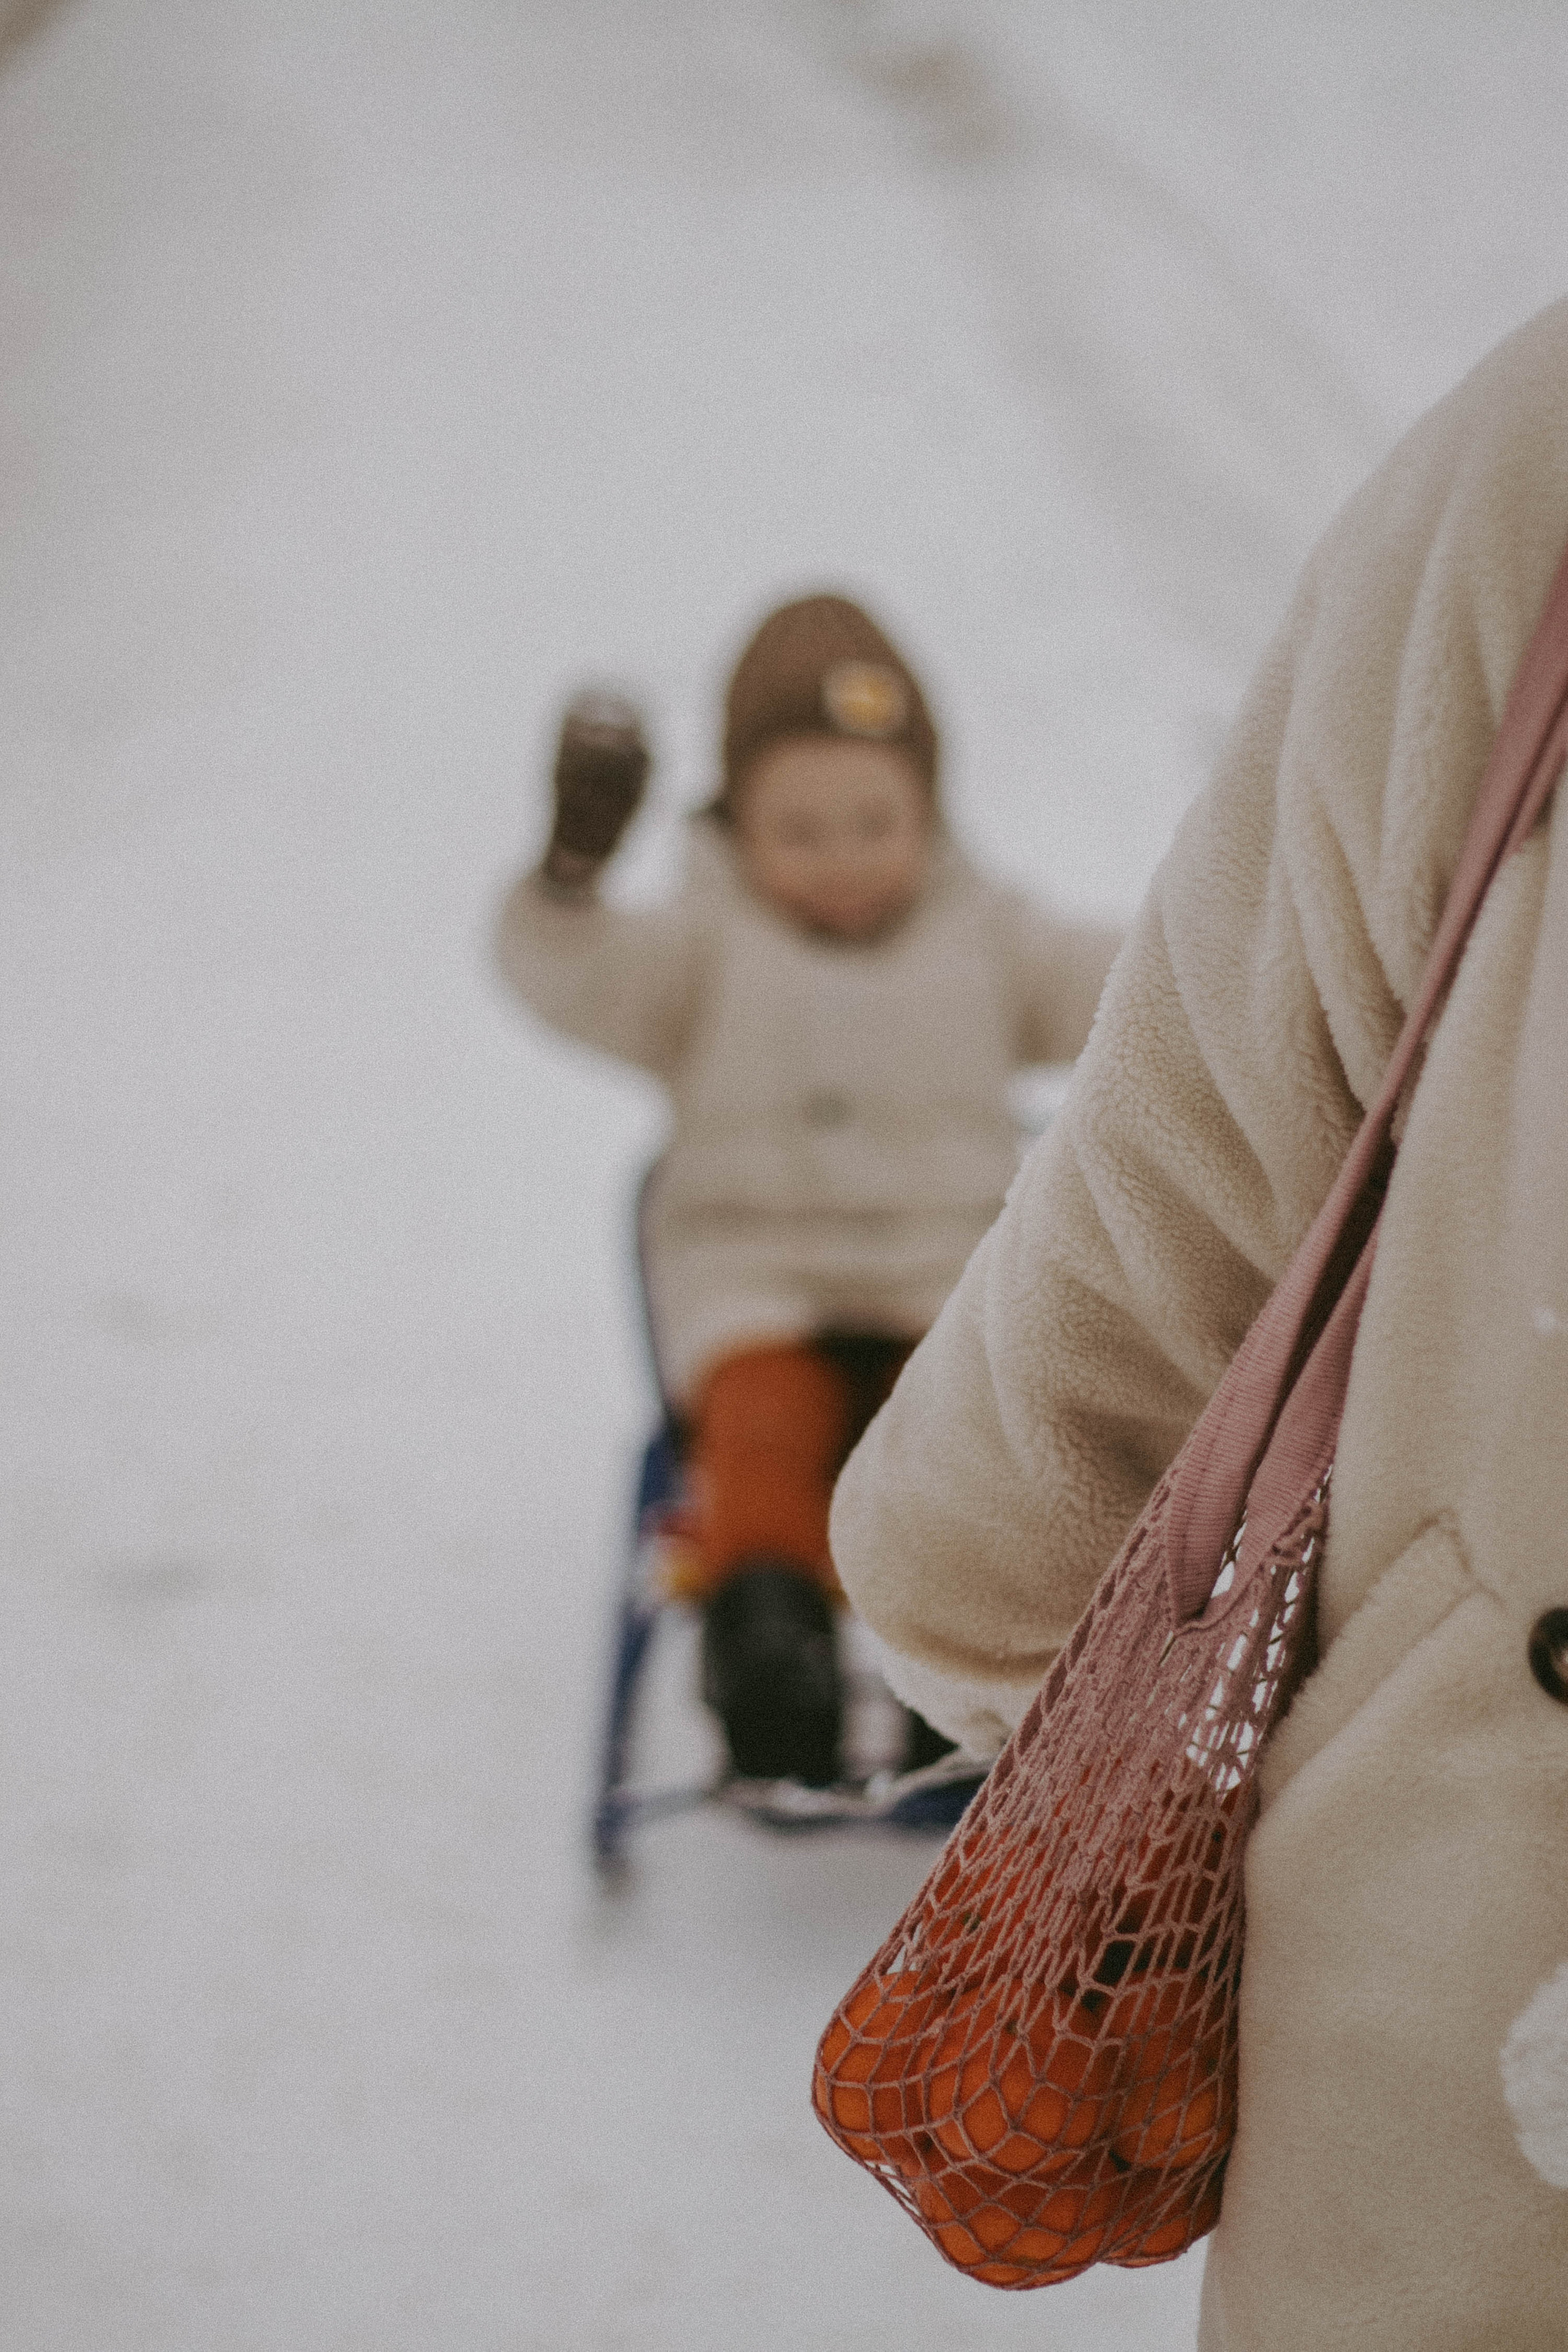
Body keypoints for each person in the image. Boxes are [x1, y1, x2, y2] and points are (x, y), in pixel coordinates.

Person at [829, 303, 1568, 2345]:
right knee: (735, 1403)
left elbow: (1196, 1146)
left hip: (1493, 1994)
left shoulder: (1539, 474)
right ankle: (752, 1635)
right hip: (761, 1267)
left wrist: (982, 1589)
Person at [495, 594, 1120, 1788]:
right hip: (752, 1278)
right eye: (799, 829)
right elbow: (563, 975)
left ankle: (962, 1670)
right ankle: (765, 1644)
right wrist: (567, 879)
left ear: (928, 811)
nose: (840, 858)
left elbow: (1141, 982)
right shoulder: (697, 946)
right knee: (761, 1428)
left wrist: (1250, 927)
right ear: (736, 824)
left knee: (961, 1449)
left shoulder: (988, 936)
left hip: (943, 1281)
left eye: (872, 821)